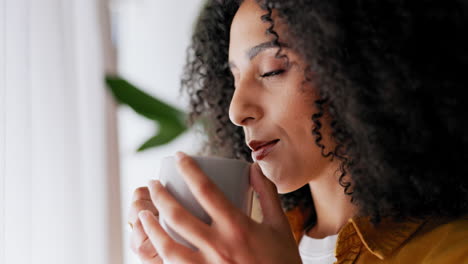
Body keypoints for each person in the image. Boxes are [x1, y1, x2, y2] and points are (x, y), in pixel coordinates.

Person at [127, 0, 468, 263]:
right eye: (233, 79)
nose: (235, 110)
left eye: (272, 70)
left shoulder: (452, 250)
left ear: (359, 70)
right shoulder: (253, 244)